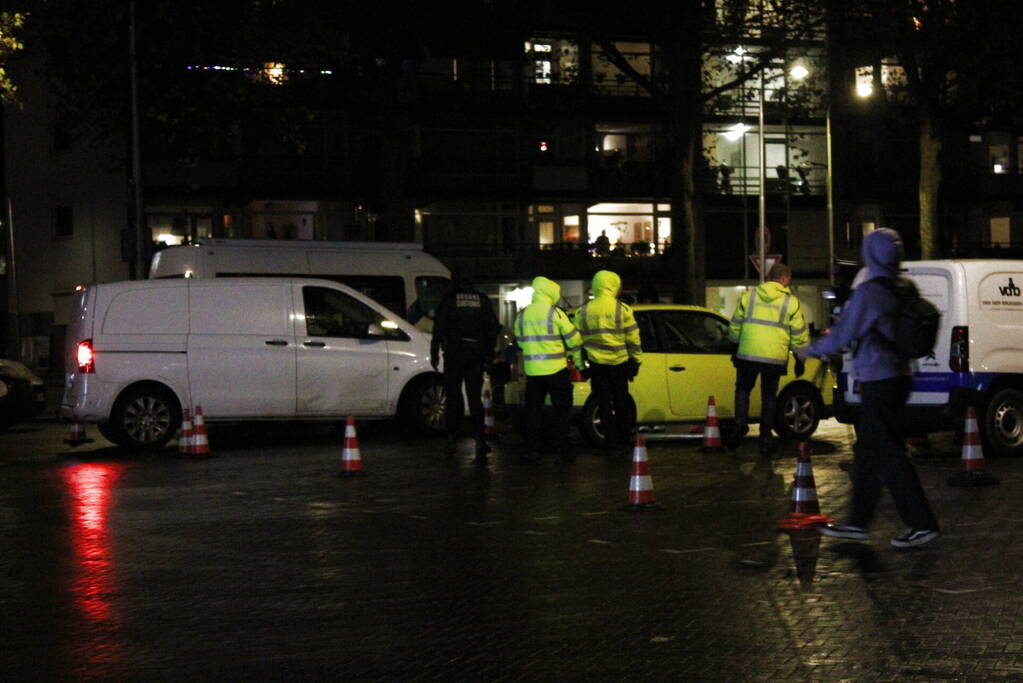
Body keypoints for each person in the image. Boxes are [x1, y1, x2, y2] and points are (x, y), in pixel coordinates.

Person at [797, 228, 940, 549]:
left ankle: (922, 523)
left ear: (870, 254)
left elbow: (843, 334)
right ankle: (857, 523)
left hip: (879, 381)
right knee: (868, 453)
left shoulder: (869, 292)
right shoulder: (905, 286)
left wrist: (810, 350)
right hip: (900, 376)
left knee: (889, 453)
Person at [726, 262, 809, 454]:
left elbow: (735, 324)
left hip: (747, 354)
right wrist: (800, 359)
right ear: (784, 278)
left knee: (743, 390)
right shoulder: (791, 302)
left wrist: (734, 345)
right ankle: (765, 438)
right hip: (774, 358)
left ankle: (740, 425)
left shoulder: (749, 296)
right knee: (769, 397)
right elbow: (799, 334)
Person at [431, 270, 501, 461]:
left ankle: (451, 439)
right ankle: (479, 439)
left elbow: (438, 327)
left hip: (454, 354)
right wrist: (488, 353)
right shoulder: (482, 300)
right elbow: (493, 328)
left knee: (453, 398)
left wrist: (434, 352)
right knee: (474, 398)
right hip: (475, 355)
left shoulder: (449, 299)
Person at [514, 276, 585, 464]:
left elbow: (520, 342)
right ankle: (562, 451)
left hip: (533, 374)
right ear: (551, 292)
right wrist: (579, 364)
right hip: (556, 371)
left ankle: (533, 450)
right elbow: (574, 340)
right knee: (561, 412)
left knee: (533, 413)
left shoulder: (522, 314)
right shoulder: (555, 313)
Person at [573, 270, 642, 453]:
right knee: (621, 402)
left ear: (596, 285)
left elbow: (576, 343)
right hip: (619, 364)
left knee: (603, 404)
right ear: (615, 285)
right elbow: (634, 339)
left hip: (596, 366)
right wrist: (636, 361)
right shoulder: (623, 309)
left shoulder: (583, 311)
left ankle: (610, 442)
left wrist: (581, 366)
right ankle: (623, 439)